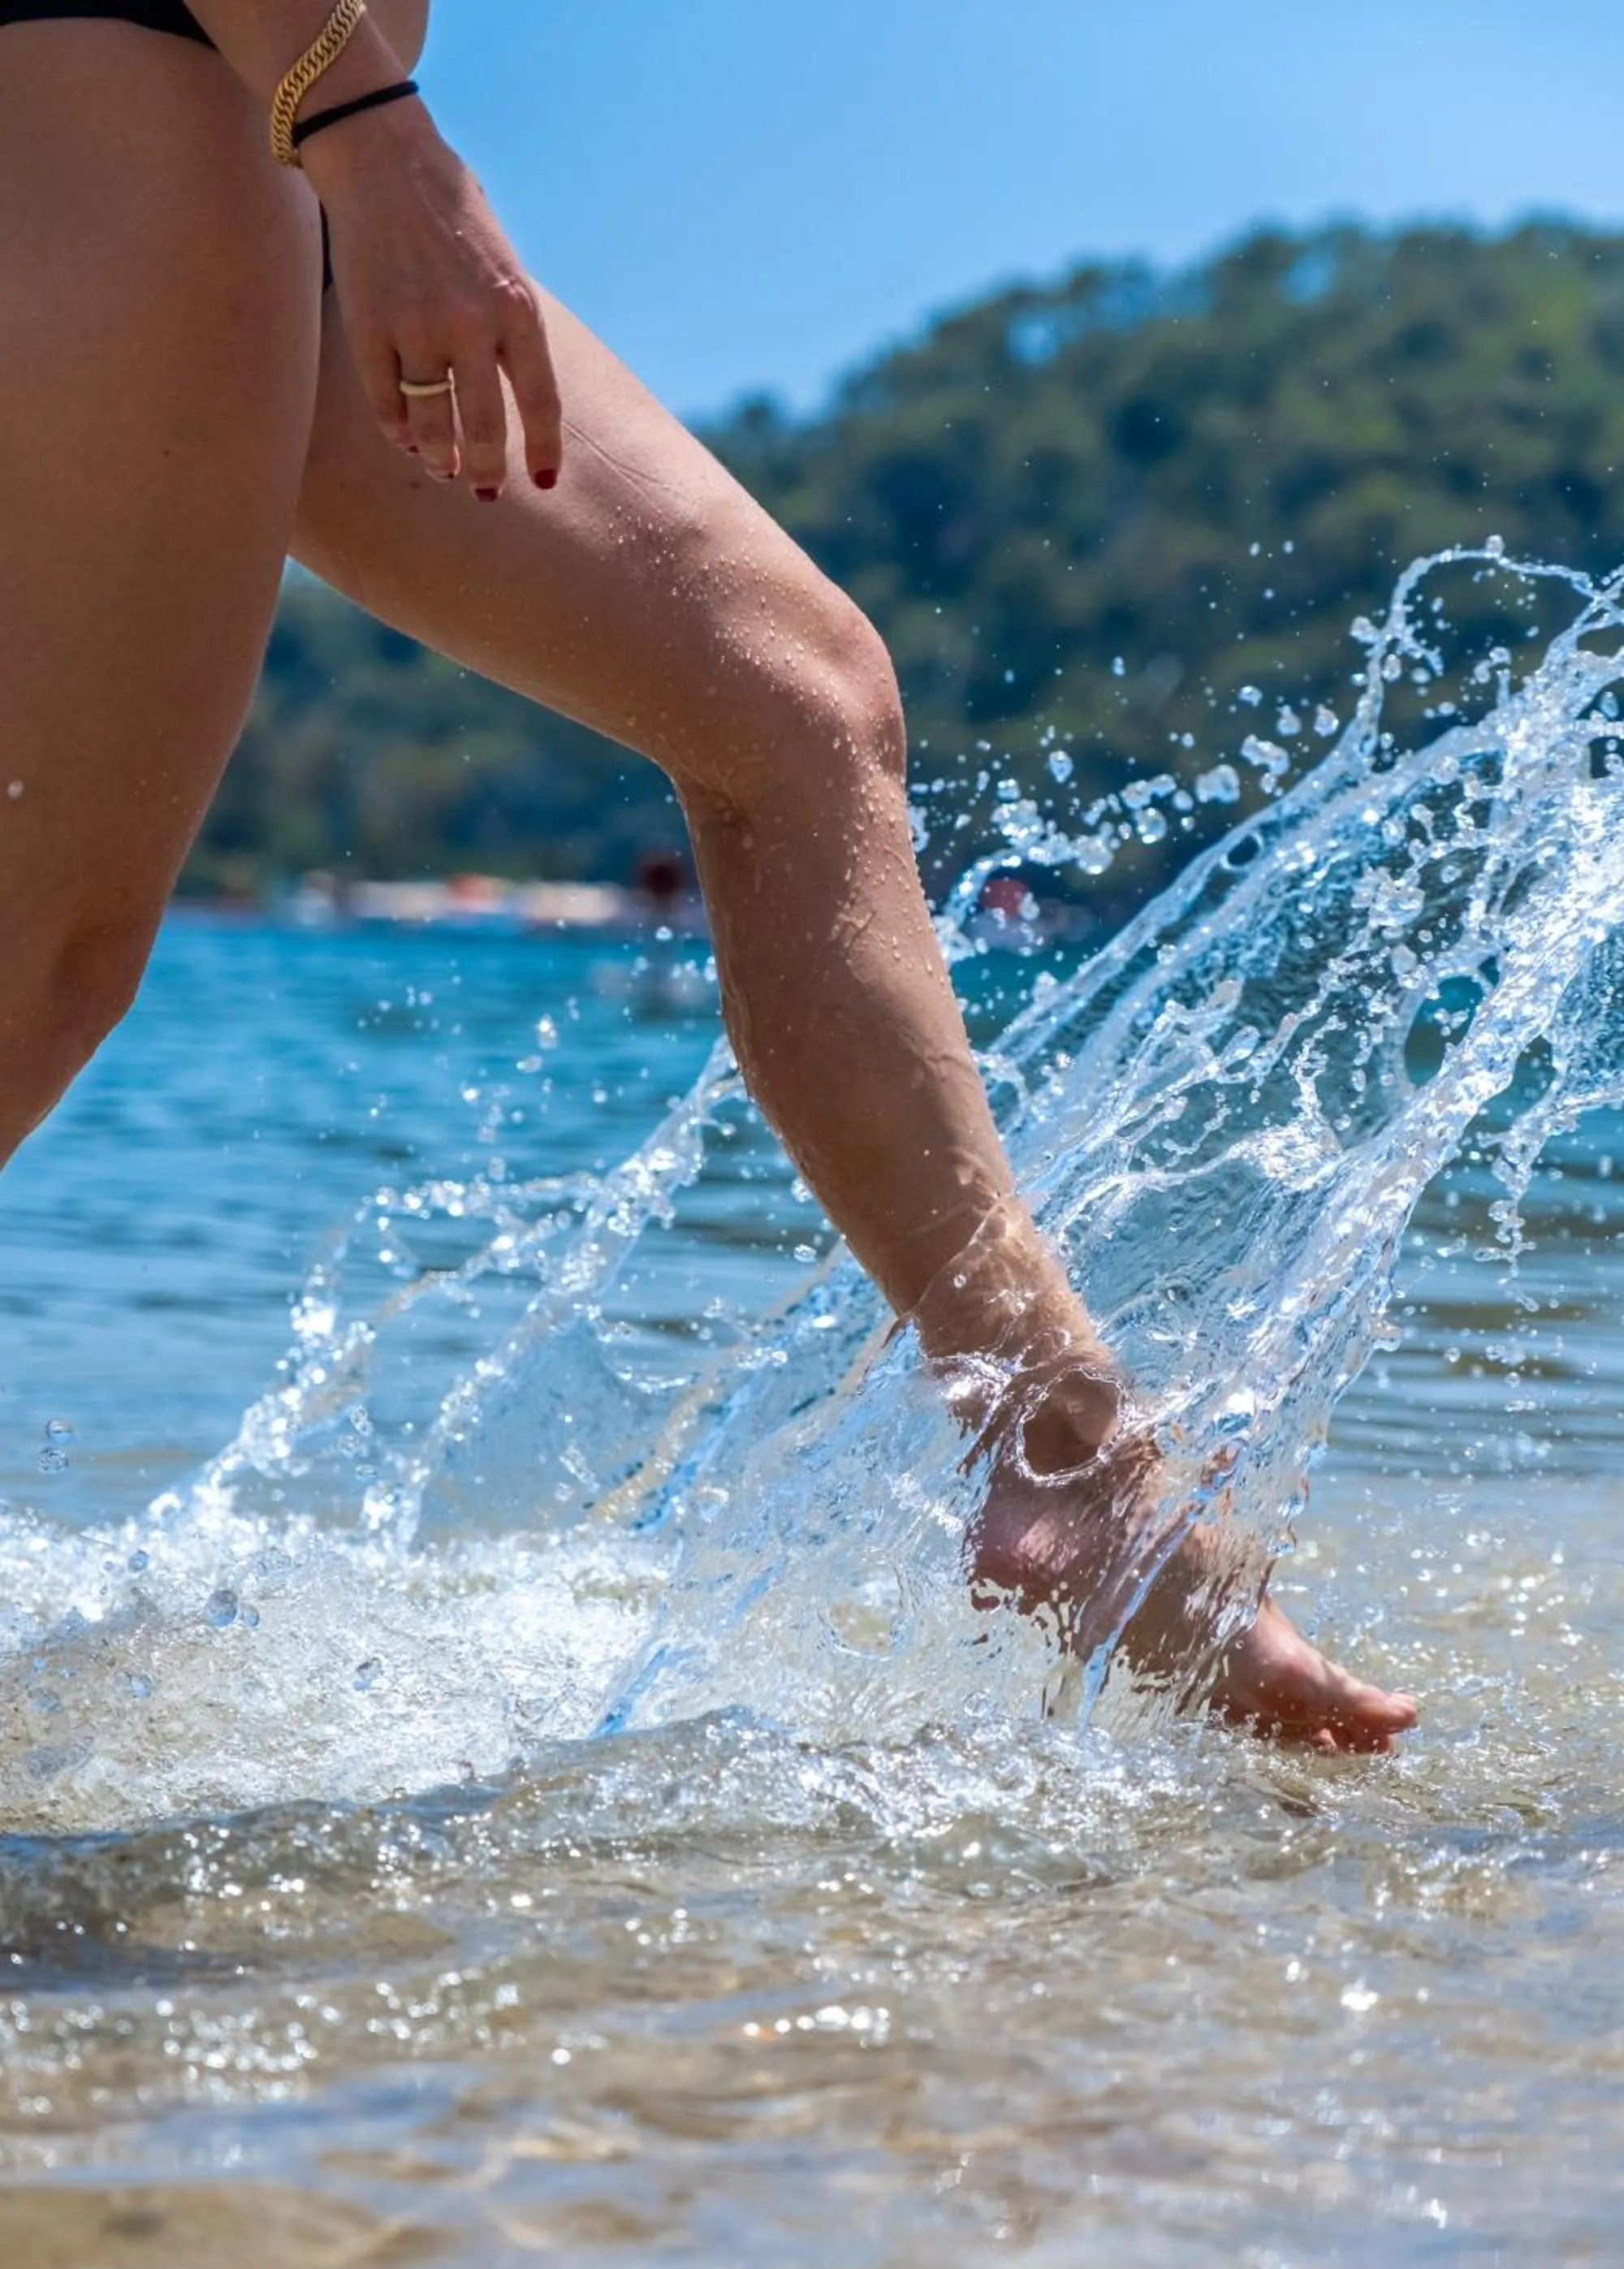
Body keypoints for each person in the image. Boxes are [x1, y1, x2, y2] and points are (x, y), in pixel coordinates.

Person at [0, 0, 1417, 1751]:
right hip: (147, 66)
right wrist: (370, 123)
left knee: (792, 707)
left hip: (252, 98)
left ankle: (1074, 1470)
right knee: (43, 959)